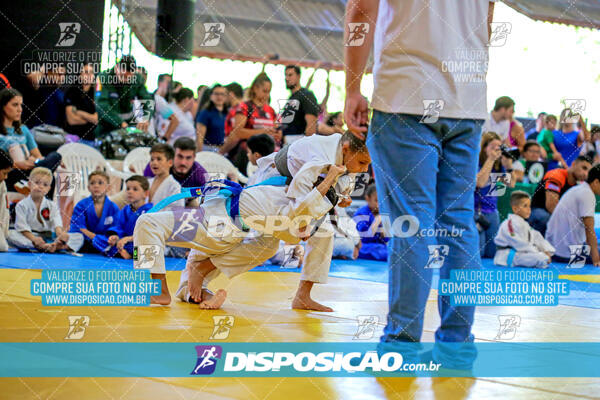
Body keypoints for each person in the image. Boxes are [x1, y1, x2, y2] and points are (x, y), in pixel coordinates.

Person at [344, 0, 494, 369]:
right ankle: (457, 343)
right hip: (466, 101)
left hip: (406, 95)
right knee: (459, 225)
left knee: (412, 224)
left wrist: (351, 87)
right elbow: (487, 17)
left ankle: (402, 343)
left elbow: (361, 10)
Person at [134, 163, 347, 306]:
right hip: (221, 231)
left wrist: (330, 176)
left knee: (147, 222)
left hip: (212, 225)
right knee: (267, 245)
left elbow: (308, 197)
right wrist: (333, 185)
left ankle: (159, 288)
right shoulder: (283, 189)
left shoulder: (294, 207)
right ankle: (198, 291)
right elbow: (307, 178)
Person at [247, 131, 371, 311]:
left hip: (306, 188)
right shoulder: (324, 155)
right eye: (362, 163)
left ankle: (303, 297)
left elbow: (344, 178)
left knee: (324, 234)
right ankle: (200, 271)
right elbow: (301, 184)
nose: (365, 169)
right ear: (346, 149)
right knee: (262, 241)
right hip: (276, 181)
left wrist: (343, 196)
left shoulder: (347, 153)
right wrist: (303, 222)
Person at [0, 88, 62, 194]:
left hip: (32, 169)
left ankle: (45, 202)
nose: (20, 109)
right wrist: (18, 164)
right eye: (15, 105)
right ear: (3, 106)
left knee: (55, 157)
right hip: (11, 172)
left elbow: (38, 156)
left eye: (21, 105)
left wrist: (35, 161)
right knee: (46, 171)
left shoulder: (23, 129)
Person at [7, 167, 82, 252]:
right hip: (31, 237)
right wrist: (34, 239)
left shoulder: (52, 205)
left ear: (48, 189)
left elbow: (57, 223)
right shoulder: (21, 205)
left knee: (79, 237)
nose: (40, 186)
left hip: (49, 237)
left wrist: (61, 234)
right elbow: (22, 227)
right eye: (37, 183)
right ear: (29, 184)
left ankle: (58, 246)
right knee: (10, 235)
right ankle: (42, 246)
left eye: (45, 185)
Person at [220, 73, 280, 175]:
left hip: (267, 158)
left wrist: (277, 134)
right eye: (264, 91)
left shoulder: (270, 110)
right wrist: (263, 132)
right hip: (247, 157)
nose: (267, 95)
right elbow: (238, 132)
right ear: (255, 89)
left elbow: (275, 130)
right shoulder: (244, 107)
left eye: (269, 92)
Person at [546, 164, 600, 266]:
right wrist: (596, 260)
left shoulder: (579, 189)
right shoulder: (587, 194)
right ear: (596, 182)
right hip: (569, 255)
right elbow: (589, 230)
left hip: (554, 249)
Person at [475, 132, 515, 258]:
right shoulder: (476, 163)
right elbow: (480, 183)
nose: (496, 150)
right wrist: (490, 159)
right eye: (492, 147)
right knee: (479, 253)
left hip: (492, 211)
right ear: (484, 147)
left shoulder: (498, 166)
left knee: (492, 253)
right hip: (476, 211)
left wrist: (509, 167)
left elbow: (511, 183)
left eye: (499, 147)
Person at [529, 155, 592, 235]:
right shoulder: (557, 175)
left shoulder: (578, 185)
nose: (585, 174)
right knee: (548, 219)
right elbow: (551, 206)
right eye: (584, 168)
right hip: (537, 211)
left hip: (555, 214)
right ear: (573, 164)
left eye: (588, 172)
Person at [493, 191, 555, 268]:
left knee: (543, 257)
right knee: (541, 258)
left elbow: (537, 237)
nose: (529, 209)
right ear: (515, 209)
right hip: (508, 256)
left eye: (529, 206)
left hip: (522, 253)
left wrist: (546, 250)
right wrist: (537, 252)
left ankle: (539, 259)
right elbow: (519, 243)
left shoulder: (525, 225)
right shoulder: (509, 224)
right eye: (525, 206)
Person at [95, 55, 152, 137]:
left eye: (129, 78)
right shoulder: (103, 78)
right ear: (116, 68)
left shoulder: (137, 78)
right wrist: (120, 123)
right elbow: (101, 105)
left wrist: (146, 118)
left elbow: (147, 99)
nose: (126, 80)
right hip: (107, 128)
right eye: (123, 76)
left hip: (128, 127)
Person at [100, 175, 152, 259]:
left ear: (146, 194)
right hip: (124, 243)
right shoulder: (125, 210)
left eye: (135, 189)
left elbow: (148, 234)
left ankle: (130, 255)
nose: (130, 192)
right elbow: (119, 227)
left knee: (145, 250)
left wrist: (129, 239)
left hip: (138, 242)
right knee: (101, 240)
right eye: (128, 189)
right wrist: (115, 237)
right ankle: (123, 252)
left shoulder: (150, 211)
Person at [68, 171, 120, 253]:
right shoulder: (81, 205)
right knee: (76, 238)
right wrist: (95, 237)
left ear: (108, 188)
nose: (96, 186)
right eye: (92, 183)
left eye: (100, 183)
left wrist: (114, 237)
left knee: (119, 244)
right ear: (88, 187)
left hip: (104, 240)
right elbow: (78, 227)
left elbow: (116, 228)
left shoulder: (113, 207)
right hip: (85, 239)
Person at [64, 63, 98, 145]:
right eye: (86, 72)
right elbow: (72, 120)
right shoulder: (72, 92)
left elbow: (97, 119)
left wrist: (79, 113)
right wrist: (90, 119)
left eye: (91, 72)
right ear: (80, 75)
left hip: (92, 140)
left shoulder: (96, 93)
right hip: (74, 138)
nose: (89, 75)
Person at [281, 65, 320, 138]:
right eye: (285, 75)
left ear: (298, 76)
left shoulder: (306, 95)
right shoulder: (291, 98)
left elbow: (311, 126)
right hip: (287, 144)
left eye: (290, 75)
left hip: (299, 144)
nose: (287, 78)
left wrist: (306, 146)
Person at [353, 184, 388, 261]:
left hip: (378, 246)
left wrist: (384, 232)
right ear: (367, 199)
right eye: (376, 200)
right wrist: (376, 222)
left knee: (395, 249)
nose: (380, 205)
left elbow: (387, 239)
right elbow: (364, 238)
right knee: (381, 251)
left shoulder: (383, 213)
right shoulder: (361, 214)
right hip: (362, 246)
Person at [147, 144, 184, 208]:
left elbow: (177, 211)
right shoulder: (147, 182)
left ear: (170, 163)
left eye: (159, 159)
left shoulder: (174, 186)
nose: (154, 163)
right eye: (152, 159)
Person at [195, 84, 227, 151]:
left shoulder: (227, 113)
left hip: (224, 150)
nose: (219, 97)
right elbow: (199, 138)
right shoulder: (205, 113)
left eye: (222, 94)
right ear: (211, 96)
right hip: (208, 149)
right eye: (216, 94)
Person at [36, 64, 67, 128]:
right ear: (49, 73)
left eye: (64, 75)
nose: (62, 78)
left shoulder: (61, 95)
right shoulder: (37, 90)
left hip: (55, 134)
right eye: (59, 74)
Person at [151, 74, 178, 140]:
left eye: (171, 84)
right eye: (168, 82)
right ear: (159, 83)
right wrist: (164, 139)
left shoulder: (161, 99)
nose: (170, 86)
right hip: (151, 137)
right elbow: (175, 121)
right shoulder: (158, 99)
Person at [0, 149, 13, 251]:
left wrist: (3, 234)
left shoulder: (2, 184)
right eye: (4, 173)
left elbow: (4, 211)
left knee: (3, 246)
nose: (6, 177)